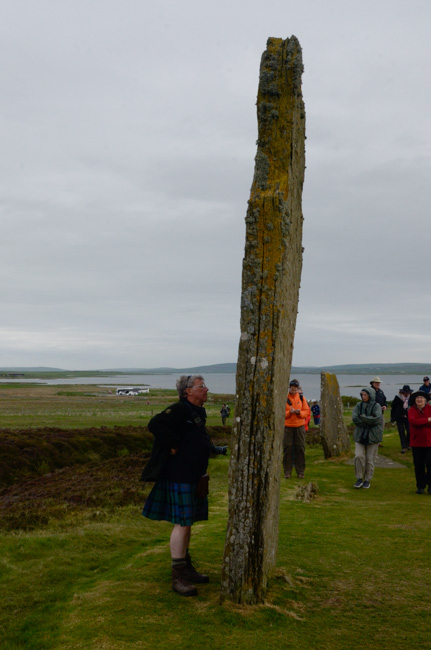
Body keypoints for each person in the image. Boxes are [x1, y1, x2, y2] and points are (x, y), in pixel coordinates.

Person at [141, 375, 227, 596]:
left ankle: (186, 567)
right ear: (188, 391)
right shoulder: (179, 409)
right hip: (178, 475)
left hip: (193, 475)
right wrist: (173, 444)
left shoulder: (198, 412)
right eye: (201, 386)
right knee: (182, 523)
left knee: (187, 523)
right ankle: (177, 575)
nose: (206, 389)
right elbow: (155, 424)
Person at [352, 387, 383, 489]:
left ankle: (367, 479)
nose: (363, 397)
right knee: (358, 456)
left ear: (370, 395)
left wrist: (363, 417)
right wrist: (368, 419)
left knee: (370, 459)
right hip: (360, 435)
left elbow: (376, 419)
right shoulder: (358, 405)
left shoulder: (376, 406)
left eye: (365, 395)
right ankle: (359, 478)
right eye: (362, 395)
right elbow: (355, 419)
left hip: (373, 436)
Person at [283, 379, 311, 479]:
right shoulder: (284, 398)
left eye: (295, 389)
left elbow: (306, 411)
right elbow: (281, 412)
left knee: (300, 448)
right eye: (292, 389)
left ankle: (300, 471)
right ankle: (287, 471)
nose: (294, 391)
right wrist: (289, 413)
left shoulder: (301, 398)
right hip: (288, 427)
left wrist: (299, 413)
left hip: (299, 426)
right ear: (289, 388)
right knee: (288, 449)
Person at [407, 391, 431, 494]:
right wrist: (428, 420)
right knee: (418, 465)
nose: (419, 400)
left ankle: (430, 486)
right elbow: (413, 422)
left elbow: (418, 422)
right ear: (415, 400)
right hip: (416, 442)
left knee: (430, 464)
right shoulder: (411, 410)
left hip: (429, 442)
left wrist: (422, 421)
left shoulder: (430, 409)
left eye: (421, 398)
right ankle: (420, 486)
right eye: (417, 398)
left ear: (425, 400)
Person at [390, 385, 413, 453]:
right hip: (399, 417)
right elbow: (393, 408)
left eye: (407, 392)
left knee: (409, 431)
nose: (406, 393)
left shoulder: (411, 398)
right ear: (402, 392)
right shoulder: (397, 398)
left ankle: (408, 444)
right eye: (405, 392)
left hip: (408, 417)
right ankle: (404, 447)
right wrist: (393, 417)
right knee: (401, 431)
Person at [370, 376, 387, 443]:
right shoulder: (370, 391)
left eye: (379, 383)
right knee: (373, 428)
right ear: (372, 383)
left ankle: (378, 441)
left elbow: (384, 399)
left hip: (381, 413)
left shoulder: (380, 391)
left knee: (381, 427)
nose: (378, 384)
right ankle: (372, 440)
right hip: (372, 414)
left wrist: (385, 405)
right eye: (376, 383)